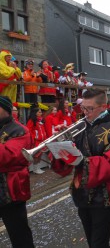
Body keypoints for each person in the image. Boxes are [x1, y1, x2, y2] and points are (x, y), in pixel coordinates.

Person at [51, 88, 110, 248]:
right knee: (91, 239)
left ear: (104, 107)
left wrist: (80, 161)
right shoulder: (80, 126)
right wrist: (59, 143)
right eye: (83, 108)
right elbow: (65, 166)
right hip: (81, 191)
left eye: (89, 108)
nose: (85, 112)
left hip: (103, 195)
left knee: (99, 242)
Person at [0, 95, 35, 247]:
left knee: (19, 235)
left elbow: (8, 156)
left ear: (6, 110)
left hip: (11, 191)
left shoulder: (20, 130)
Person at [26, 107, 48, 174]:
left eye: (41, 112)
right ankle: (35, 168)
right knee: (36, 156)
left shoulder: (40, 121)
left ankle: (37, 167)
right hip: (36, 141)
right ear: (35, 113)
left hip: (41, 141)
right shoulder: (32, 121)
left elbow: (43, 130)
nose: (40, 113)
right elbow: (29, 131)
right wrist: (35, 137)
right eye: (39, 112)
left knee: (39, 155)